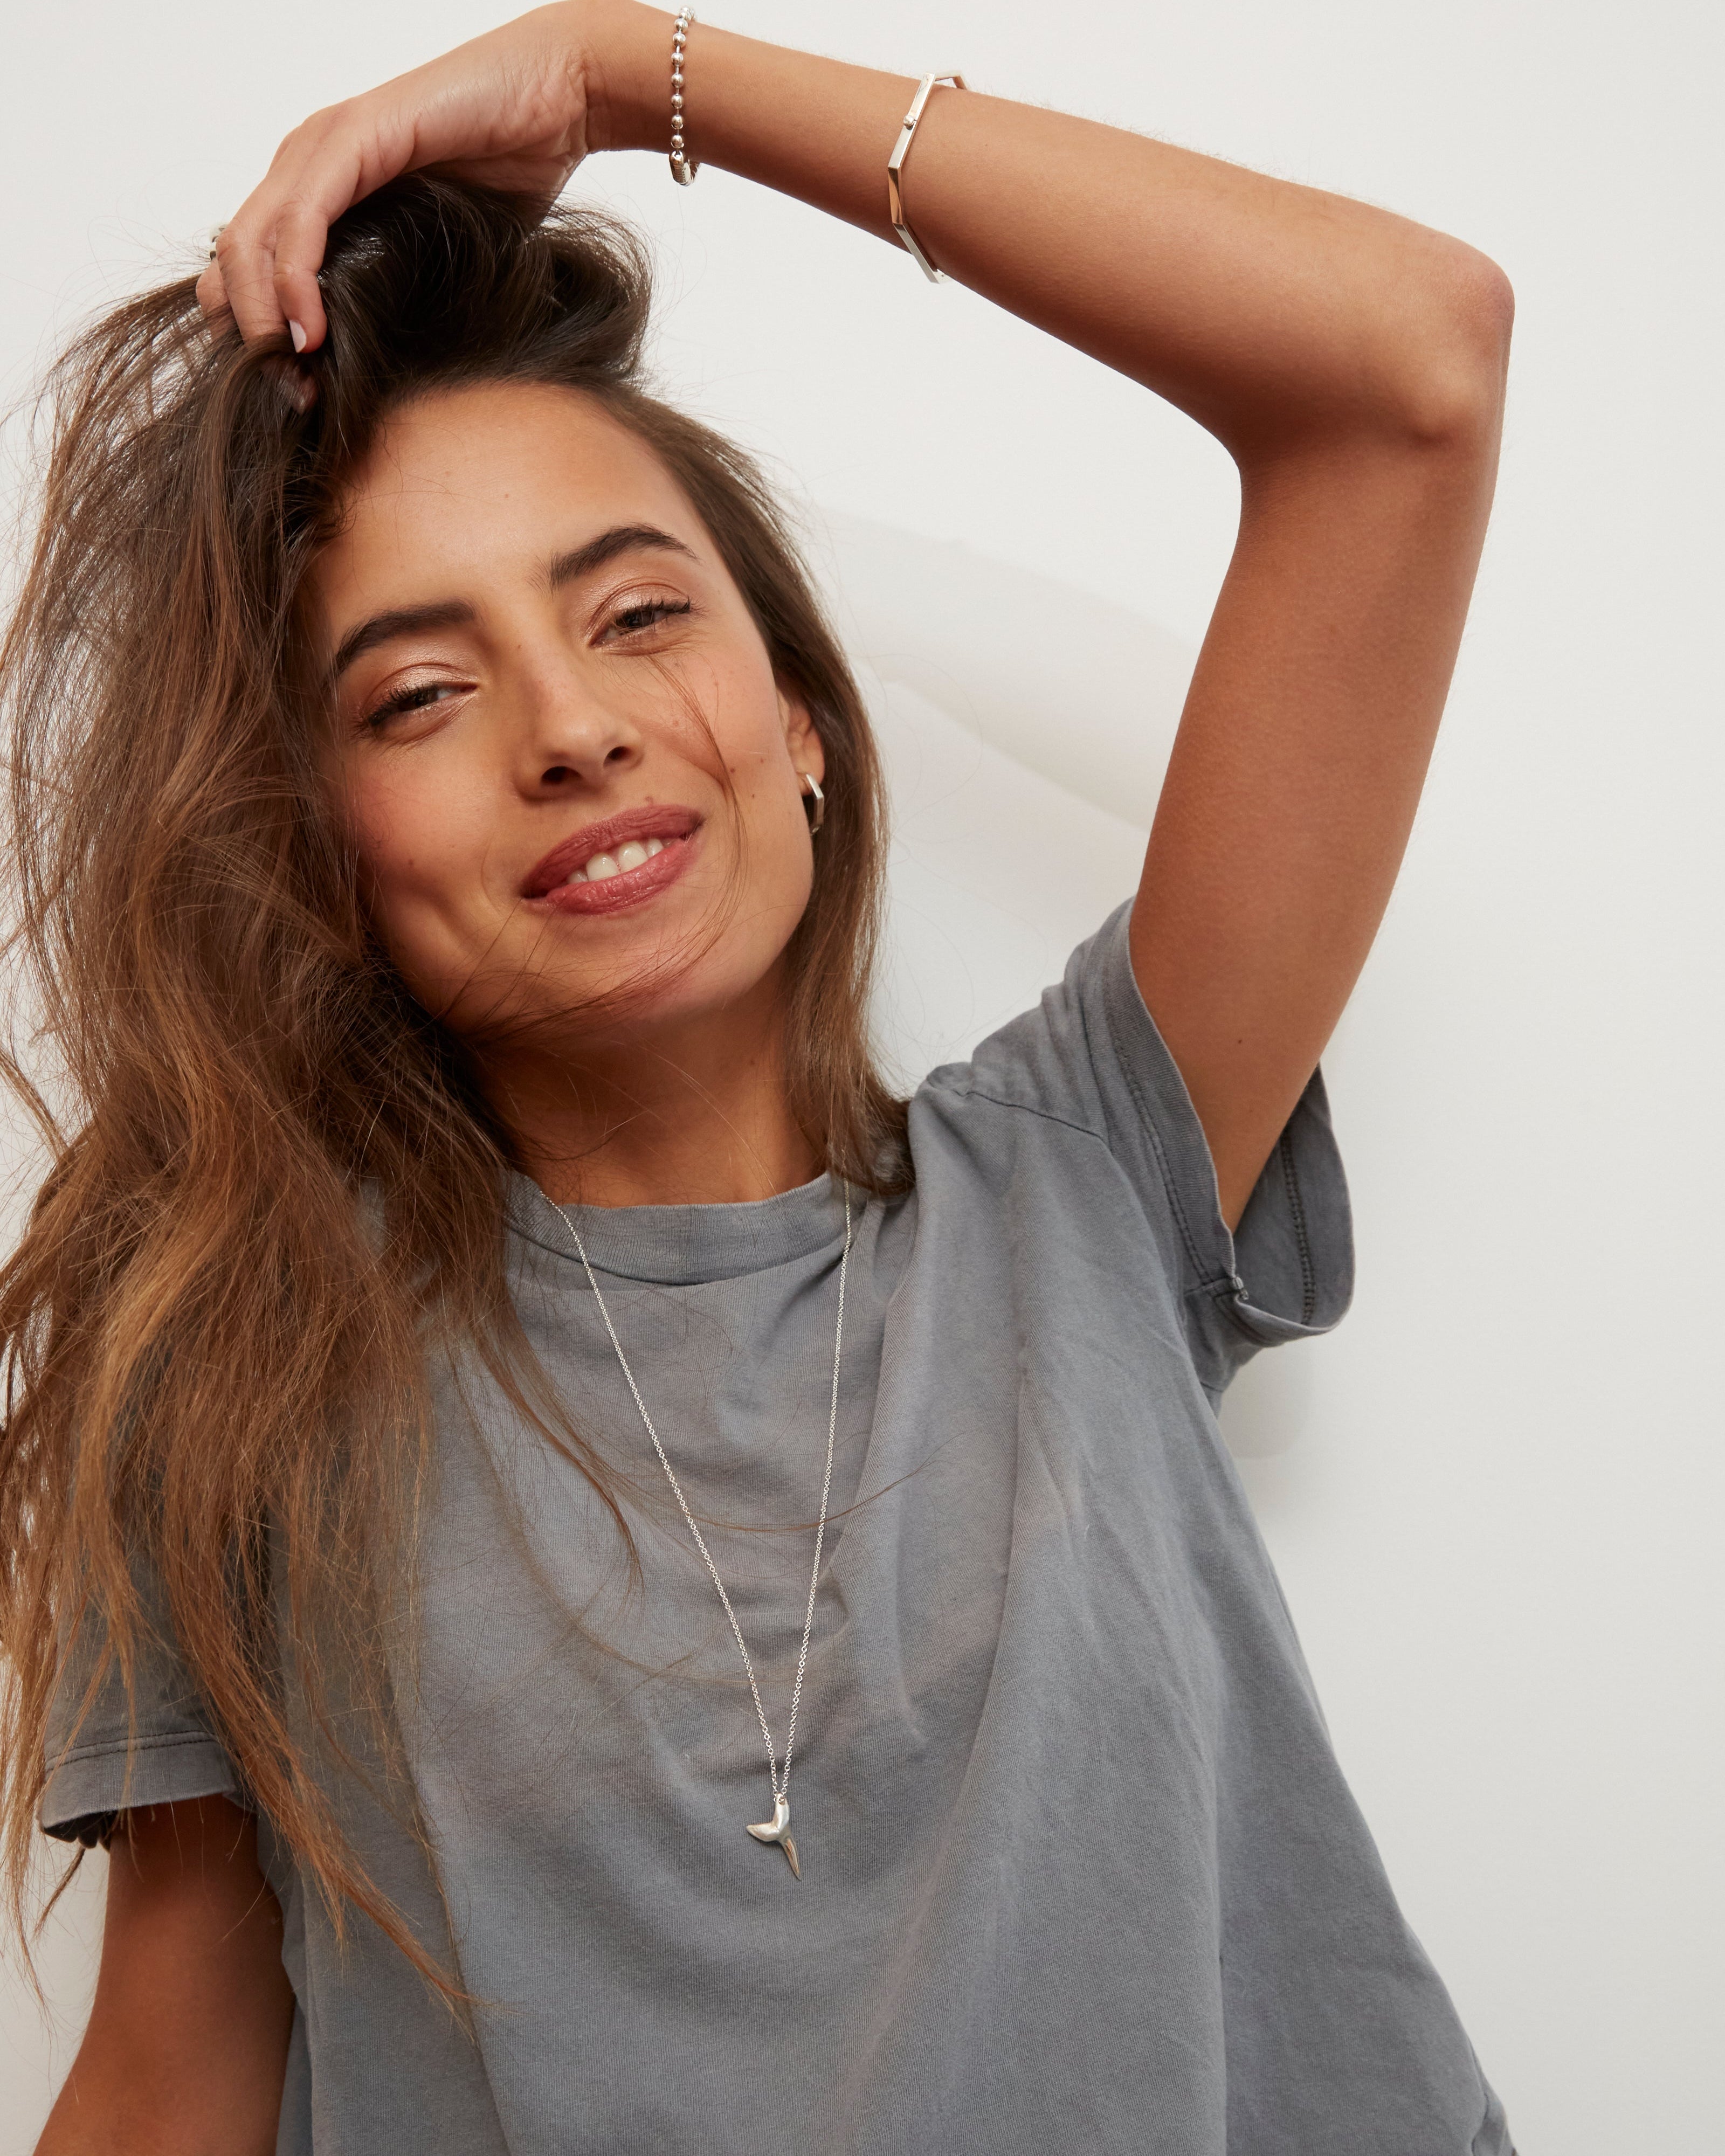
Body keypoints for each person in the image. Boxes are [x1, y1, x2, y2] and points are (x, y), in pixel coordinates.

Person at [1, 4, 1514, 2151]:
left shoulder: (1089, 1171)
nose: (570, 724)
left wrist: (627, 81)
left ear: (795, 719)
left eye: (632, 616)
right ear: (328, 867)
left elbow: (1407, 368)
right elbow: (170, 2082)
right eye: (419, 689)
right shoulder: (251, 1361)